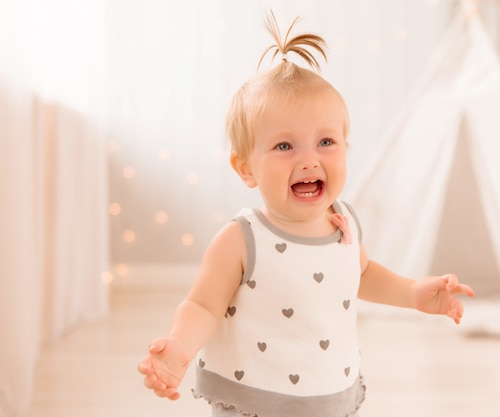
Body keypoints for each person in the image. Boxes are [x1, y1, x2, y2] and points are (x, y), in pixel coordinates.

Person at [137, 11, 475, 417]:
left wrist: (412, 293)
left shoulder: (344, 222)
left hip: (326, 392)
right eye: (285, 147)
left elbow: (360, 273)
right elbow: (204, 306)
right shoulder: (242, 239)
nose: (310, 160)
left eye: (326, 142)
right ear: (246, 167)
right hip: (253, 399)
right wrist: (179, 346)